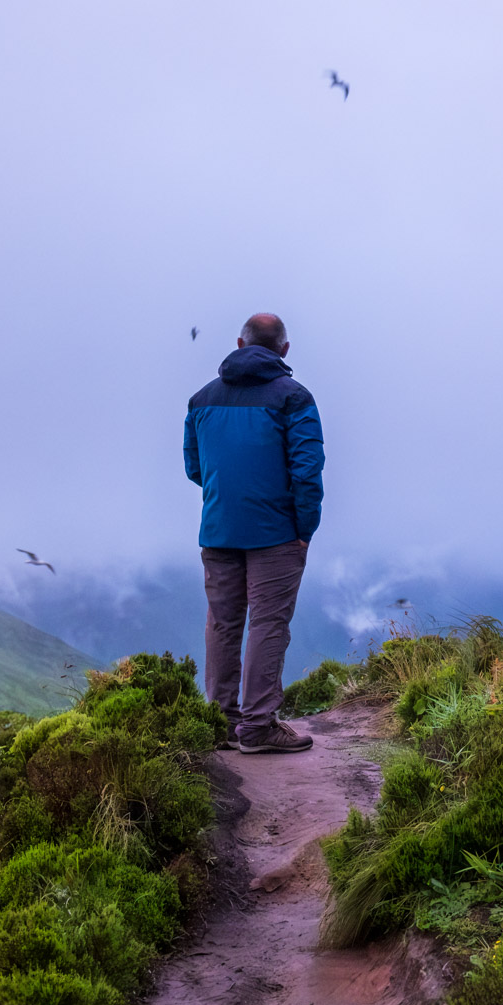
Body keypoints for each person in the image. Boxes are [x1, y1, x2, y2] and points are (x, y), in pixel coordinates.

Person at [183, 313, 324, 753]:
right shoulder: (294, 398)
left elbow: (195, 469)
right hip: (276, 534)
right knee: (268, 622)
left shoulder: (201, 399)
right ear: (284, 349)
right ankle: (258, 727)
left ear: (240, 343)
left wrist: (228, 497)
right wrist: (304, 527)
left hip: (218, 528)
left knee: (223, 623)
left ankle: (222, 722)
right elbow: (306, 470)